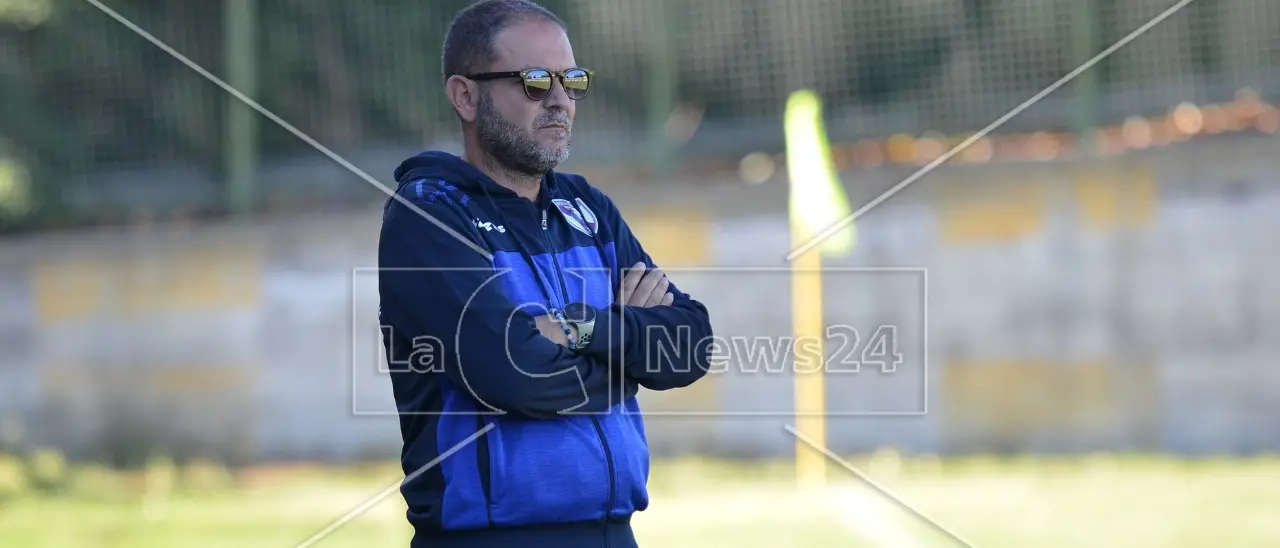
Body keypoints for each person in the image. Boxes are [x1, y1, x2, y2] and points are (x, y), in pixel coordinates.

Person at [376, 1, 714, 546]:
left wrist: (582, 329)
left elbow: (689, 347)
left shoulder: (588, 207)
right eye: (534, 81)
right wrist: (628, 348)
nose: (560, 100)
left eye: (572, 80)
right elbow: (514, 374)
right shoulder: (429, 215)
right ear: (465, 95)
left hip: (613, 534)